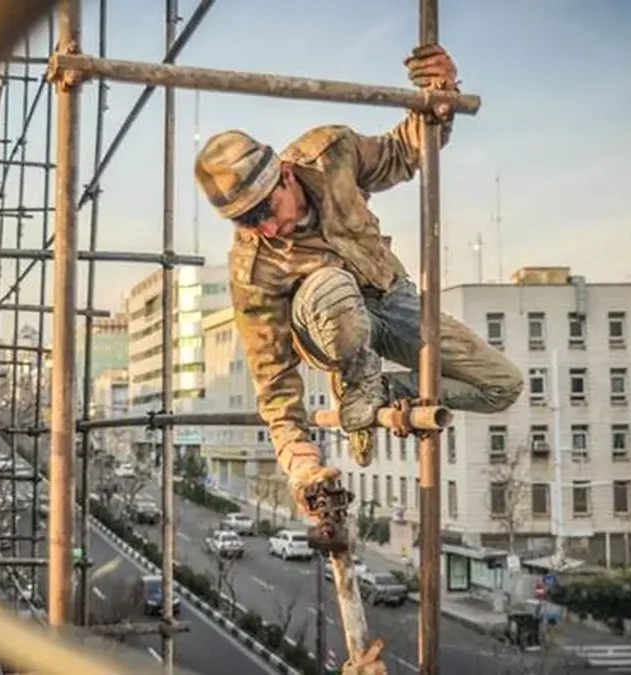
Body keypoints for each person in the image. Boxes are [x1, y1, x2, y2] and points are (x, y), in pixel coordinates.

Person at [194, 44, 523, 524]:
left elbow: (403, 153)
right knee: (330, 285)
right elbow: (274, 384)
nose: (264, 228)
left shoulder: (330, 155)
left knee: (502, 385)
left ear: (285, 175)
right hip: (327, 322)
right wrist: (302, 465)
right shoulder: (254, 269)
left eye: (265, 210)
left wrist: (440, 96)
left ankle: (372, 393)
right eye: (246, 221)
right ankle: (355, 375)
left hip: (391, 297)